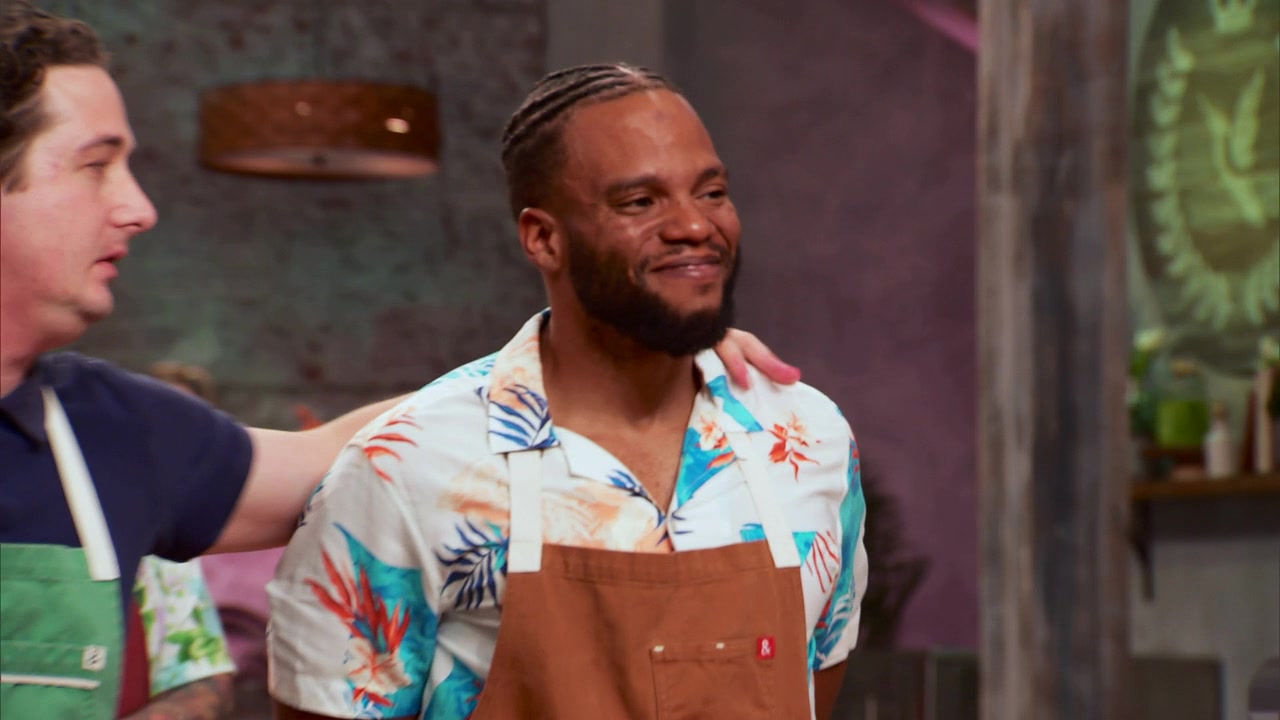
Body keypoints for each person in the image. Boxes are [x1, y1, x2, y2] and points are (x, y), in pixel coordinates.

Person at [0, 5, 798, 716]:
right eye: (95, 165)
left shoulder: (106, 434)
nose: (138, 207)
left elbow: (379, 452)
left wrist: (645, 342)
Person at [268, 63, 867, 720]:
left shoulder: (809, 440)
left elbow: (816, 683)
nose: (695, 225)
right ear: (544, 238)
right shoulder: (406, 469)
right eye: (640, 202)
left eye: (712, 192)